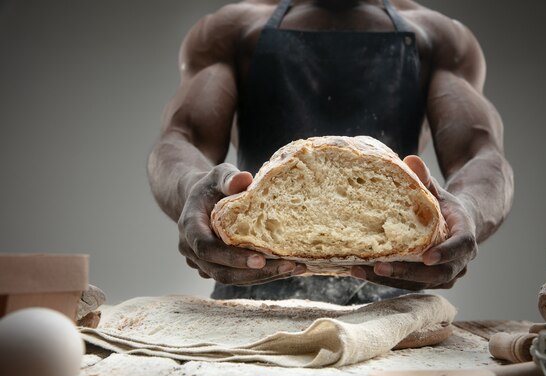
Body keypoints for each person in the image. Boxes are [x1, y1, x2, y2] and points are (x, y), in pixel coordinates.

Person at [147, 0, 514, 304]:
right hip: (251, 292)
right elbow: (182, 139)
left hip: (395, 303)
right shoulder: (232, 31)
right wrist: (193, 187)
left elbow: (479, 155)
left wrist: (468, 209)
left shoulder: (439, 39)